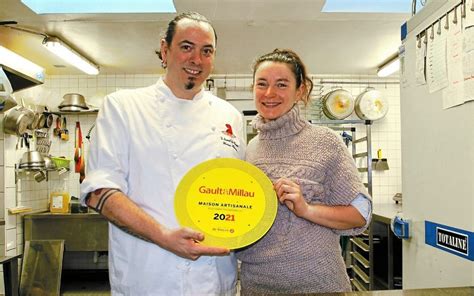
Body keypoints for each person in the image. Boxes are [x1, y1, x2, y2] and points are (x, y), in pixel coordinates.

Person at [80, 12, 245, 295]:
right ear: (165, 50)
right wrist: (164, 237)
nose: (196, 59)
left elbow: (237, 191)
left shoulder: (230, 115)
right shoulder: (123, 107)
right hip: (148, 274)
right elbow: (100, 190)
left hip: (214, 279)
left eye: (207, 51)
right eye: (186, 47)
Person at [236, 49, 372, 294]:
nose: (269, 93)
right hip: (256, 285)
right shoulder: (250, 149)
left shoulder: (325, 142)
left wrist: (306, 209)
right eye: (262, 84)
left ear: (300, 90)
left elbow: (360, 214)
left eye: (281, 84)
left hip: (319, 285)